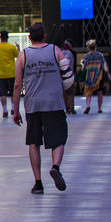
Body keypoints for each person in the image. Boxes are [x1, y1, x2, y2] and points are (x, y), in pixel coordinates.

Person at [13, 23, 71, 194]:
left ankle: (38, 183)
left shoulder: (23, 55)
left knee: (34, 142)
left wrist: (15, 110)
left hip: (33, 105)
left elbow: (17, 85)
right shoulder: (56, 50)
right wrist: (64, 90)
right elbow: (68, 75)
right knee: (58, 139)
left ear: (29, 37)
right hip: (54, 103)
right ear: (45, 35)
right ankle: (55, 166)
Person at [0, 31, 20, 118]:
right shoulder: (11, 47)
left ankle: (4, 110)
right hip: (11, 73)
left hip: (1, 74)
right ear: (7, 37)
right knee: (12, 93)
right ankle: (12, 108)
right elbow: (18, 56)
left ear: (0, 37)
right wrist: (18, 48)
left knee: (2, 93)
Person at [81, 39, 110, 115]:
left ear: (88, 47)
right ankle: (99, 108)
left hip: (89, 76)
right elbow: (104, 64)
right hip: (98, 76)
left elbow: (84, 67)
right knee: (99, 92)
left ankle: (88, 105)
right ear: (95, 47)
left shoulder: (86, 56)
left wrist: (82, 64)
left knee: (88, 92)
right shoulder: (100, 55)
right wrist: (108, 73)